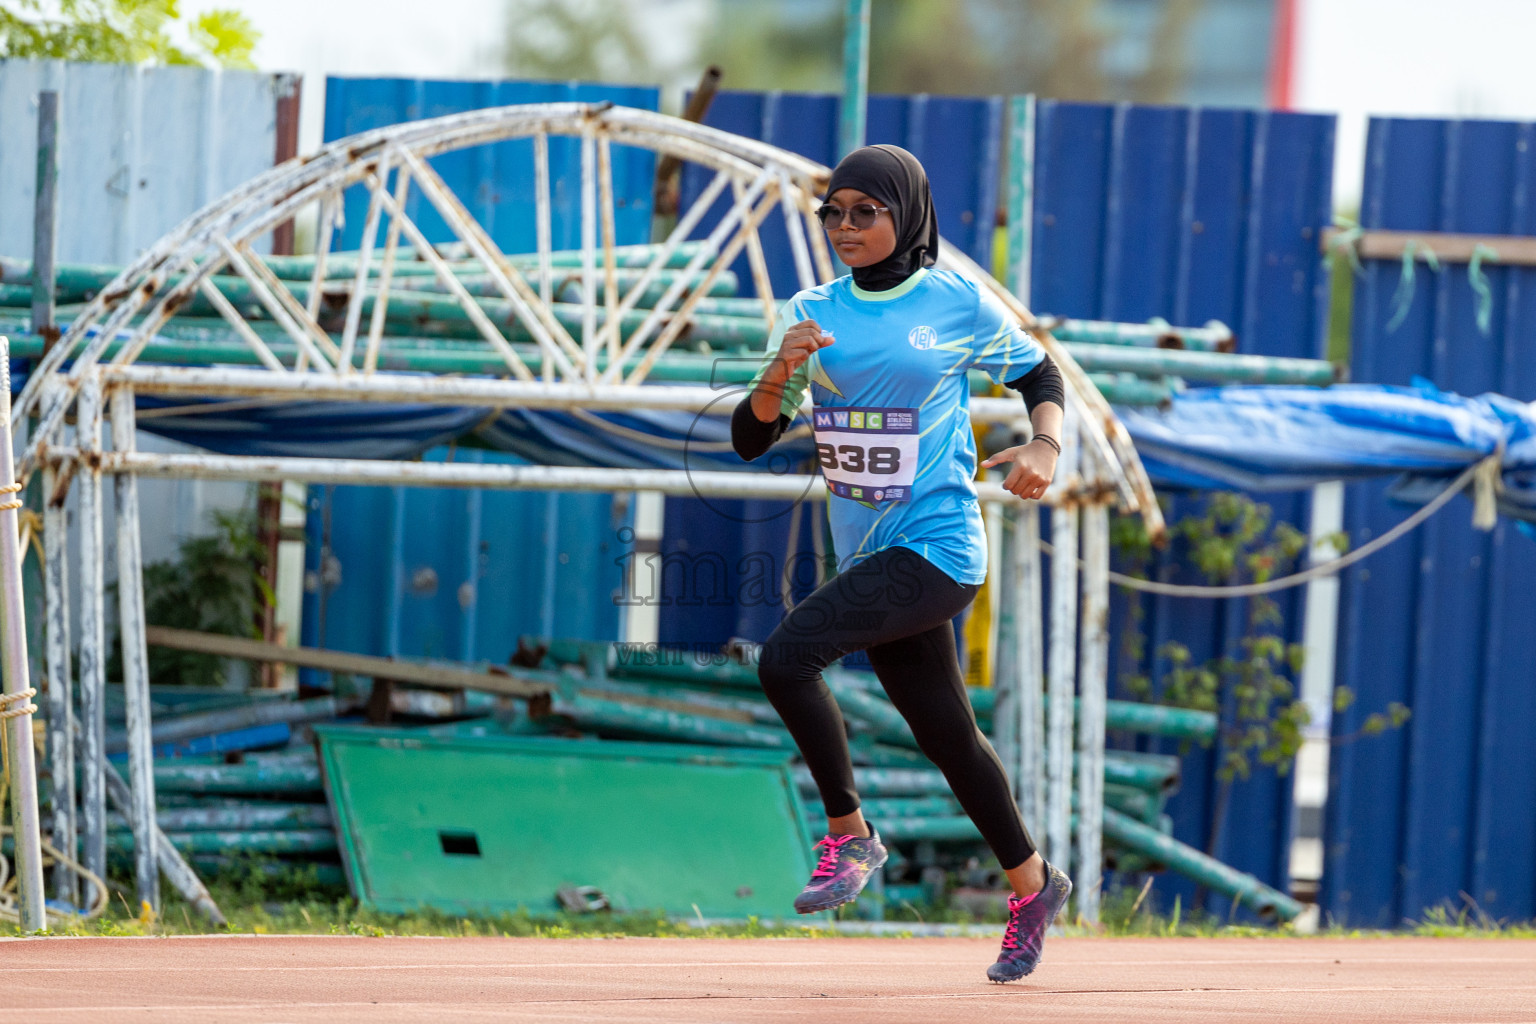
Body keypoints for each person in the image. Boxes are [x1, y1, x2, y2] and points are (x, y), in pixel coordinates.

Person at [730, 144, 1071, 984]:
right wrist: (785, 367)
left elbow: (1040, 371)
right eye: (833, 213)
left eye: (865, 213)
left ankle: (849, 838)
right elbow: (749, 438)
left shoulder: (952, 298)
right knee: (949, 736)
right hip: (869, 548)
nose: (845, 227)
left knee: (786, 658)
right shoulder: (811, 309)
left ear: (906, 216)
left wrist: (1045, 442)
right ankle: (1033, 886)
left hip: (940, 544)